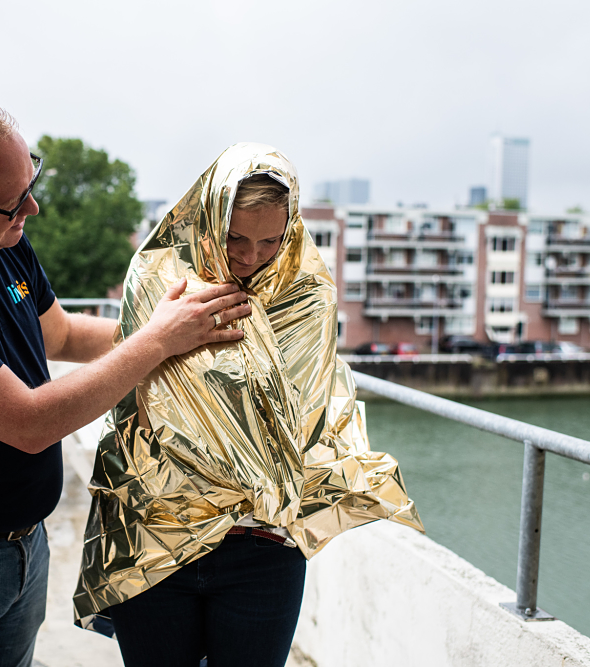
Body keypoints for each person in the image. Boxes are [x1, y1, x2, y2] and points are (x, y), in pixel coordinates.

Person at [0, 89, 251, 667]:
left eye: (31, 183)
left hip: (19, 547)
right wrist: (159, 340)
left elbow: (59, 336)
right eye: (12, 203)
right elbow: (31, 422)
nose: (31, 211)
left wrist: (184, 321)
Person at [72, 143, 423, 667]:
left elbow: (294, 425)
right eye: (235, 236)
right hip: (155, 535)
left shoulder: (308, 294)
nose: (251, 255)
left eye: (270, 240)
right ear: (210, 215)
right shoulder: (156, 276)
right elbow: (153, 409)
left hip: (262, 548)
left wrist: (186, 351)